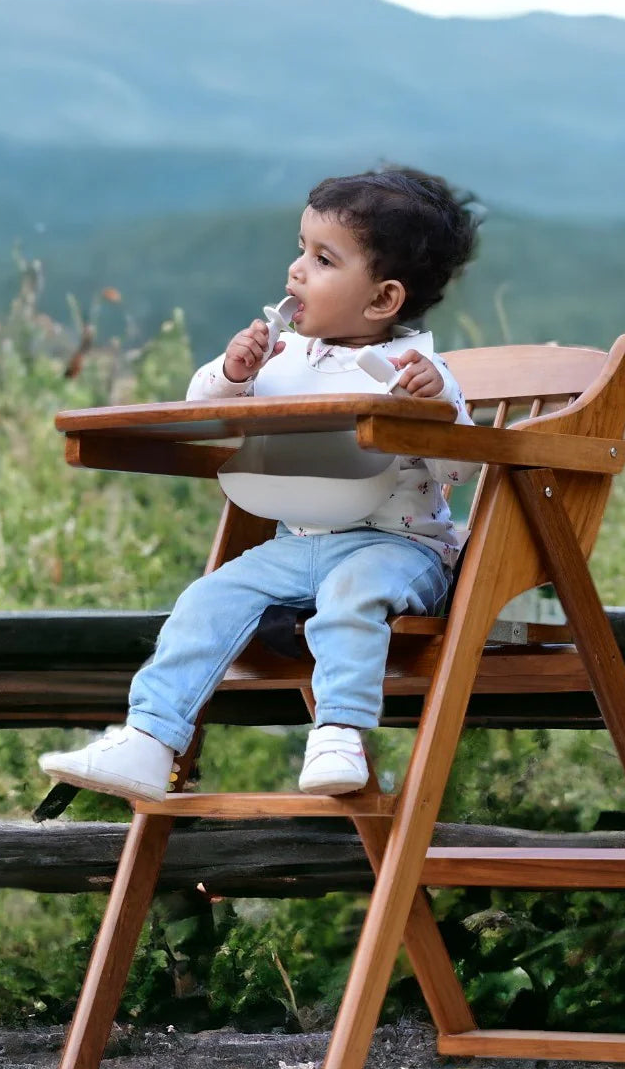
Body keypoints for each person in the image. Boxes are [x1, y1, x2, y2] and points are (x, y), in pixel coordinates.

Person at [40, 166, 481, 800]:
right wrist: (232, 372)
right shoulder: (282, 356)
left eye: (323, 259)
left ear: (383, 299)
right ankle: (150, 738)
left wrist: (435, 410)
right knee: (205, 602)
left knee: (352, 597)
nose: (296, 270)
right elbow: (205, 410)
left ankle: (341, 730)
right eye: (301, 249)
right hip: (293, 545)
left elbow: (462, 467)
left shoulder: (414, 369)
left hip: (396, 549)